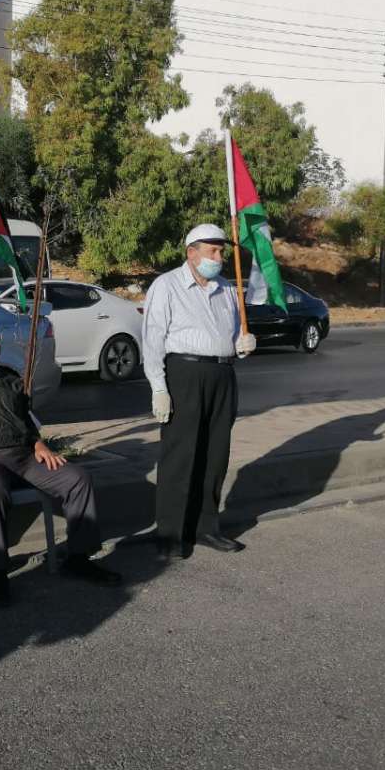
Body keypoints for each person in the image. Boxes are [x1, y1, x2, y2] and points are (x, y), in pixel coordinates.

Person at [0, 318, 121, 605]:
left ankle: (79, 557)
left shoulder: (8, 377)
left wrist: (38, 443)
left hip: (22, 455)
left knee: (77, 479)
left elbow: (24, 419)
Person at [142, 223, 257, 561]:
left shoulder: (227, 289)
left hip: (222, 374)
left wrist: (242, 344)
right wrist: (159, 388)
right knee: (181, 456)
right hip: (184, 374)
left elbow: (232, 334)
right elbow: (152, 340)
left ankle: (206, 526)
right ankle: (170, 534)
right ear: (191, 252)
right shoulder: (166, 286)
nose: (219, 257)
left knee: (215, 455)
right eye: (212, 250)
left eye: (222, 251)